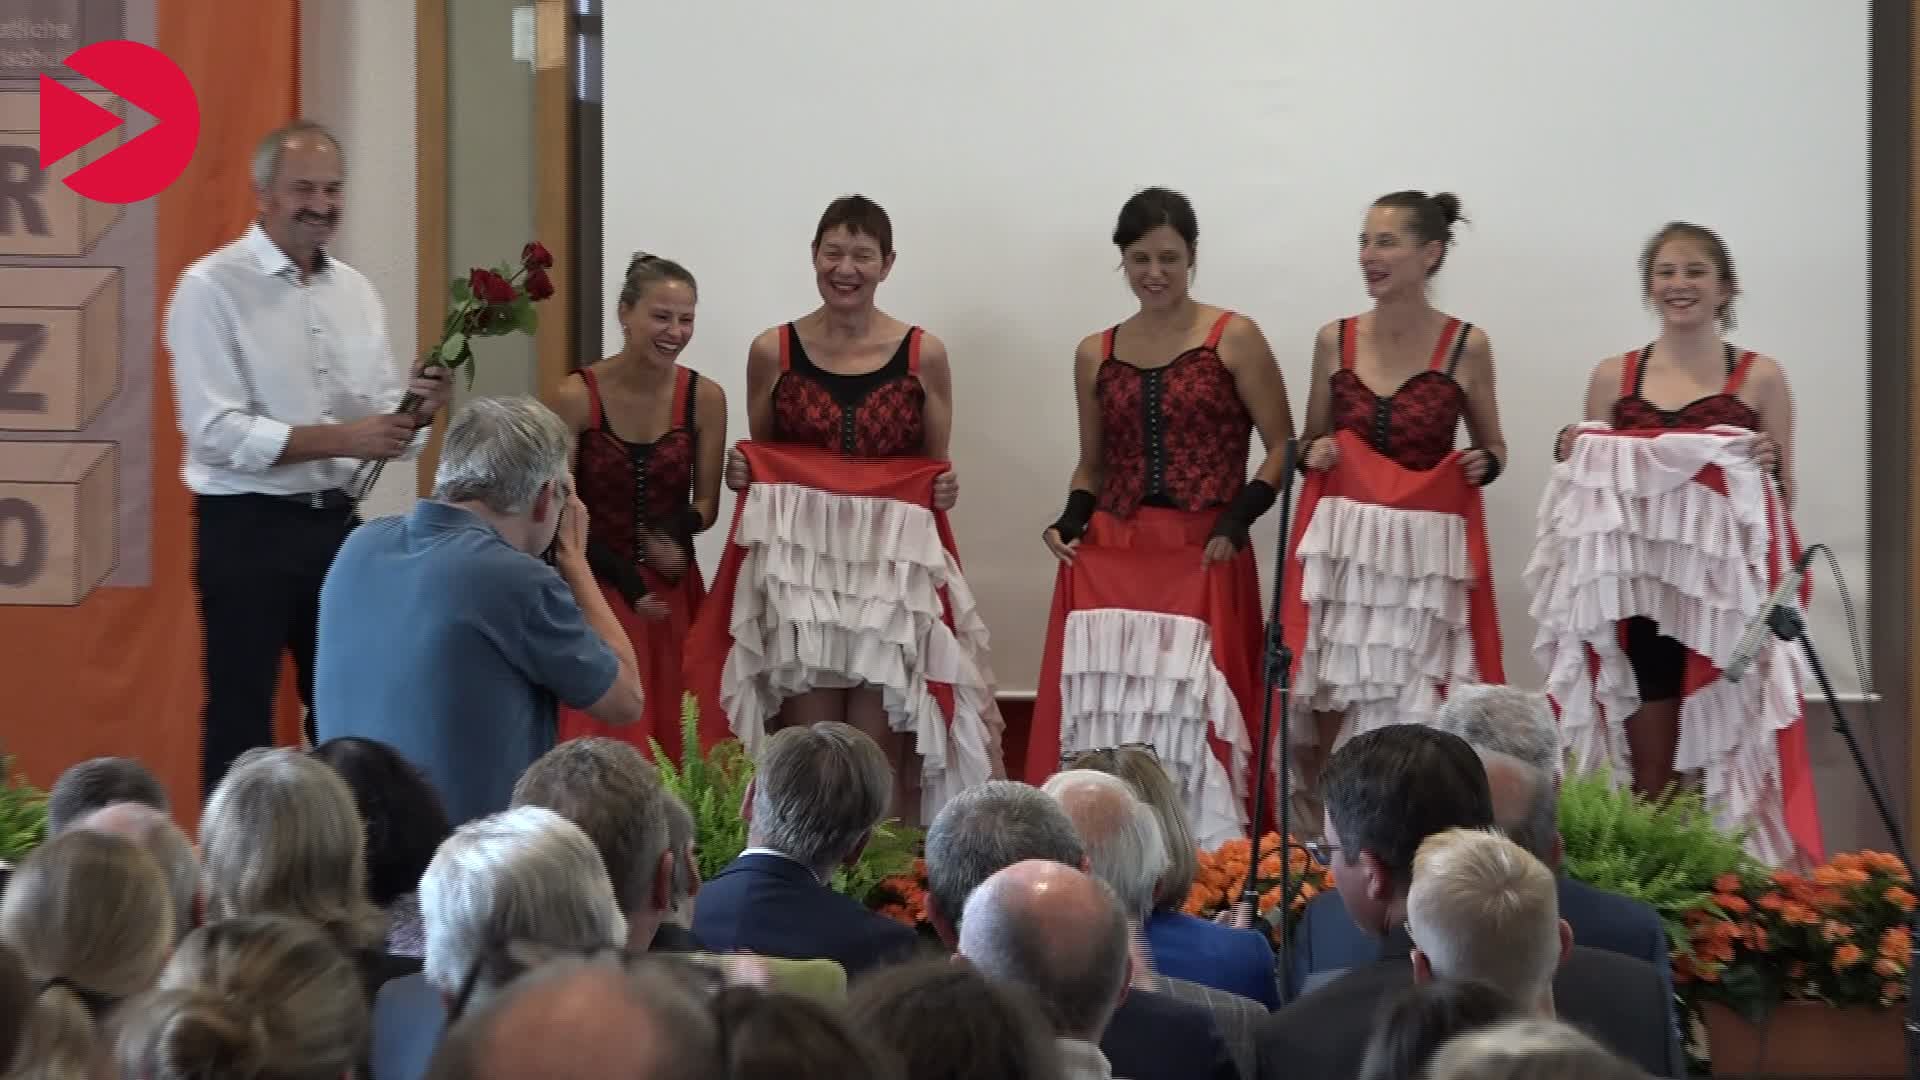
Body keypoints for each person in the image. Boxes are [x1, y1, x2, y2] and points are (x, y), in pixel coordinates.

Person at [688, 194, 1001, 826]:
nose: (846, 267)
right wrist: (743, 467)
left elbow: (931, 466)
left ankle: (873, 881)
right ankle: (806, 866)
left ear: (888, 263)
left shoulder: (924, 354)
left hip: (887, 571)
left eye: (862, 254)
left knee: (877, 736)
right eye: (833, 251)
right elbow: (767, 454)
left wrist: (942, 486)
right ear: (813, 256)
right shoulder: (772, 349)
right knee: (808, 734)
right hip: (804, 568)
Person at [166, 119, 453, 796]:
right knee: (242, 714)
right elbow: (217, 433)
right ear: (262, 193)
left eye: (332, 188)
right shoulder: (210, 289)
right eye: (303, 189)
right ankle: (236, 879)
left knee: (350, 707)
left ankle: (349, 865)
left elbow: (386, 422)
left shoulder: (355, 291)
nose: (321, 204)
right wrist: (346, 438)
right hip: (246, 528)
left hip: (337, 528)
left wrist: (418, 406)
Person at [1536, 222, 1818, 867]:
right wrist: (1567, 448)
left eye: (1694, 272)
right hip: (1637, 594)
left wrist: (1767, 468)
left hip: (1720, 600)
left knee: (1720, 744)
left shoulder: (1759, 377)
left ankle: (1715, 886)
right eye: (1664, 272)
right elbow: (1586, 491)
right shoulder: (1613, 376)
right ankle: (1648, 882)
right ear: (1647, 288)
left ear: (1724, 288)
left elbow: (1782, 496)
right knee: (1647, 753)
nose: (1678, 285)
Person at [1030, 186, 1294, 843]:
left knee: (1197, 710)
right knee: (1108, 711)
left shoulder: (1234, 336)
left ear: (1194, 256)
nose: (1155, 273)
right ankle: (1104, 845)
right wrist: (1068, 518)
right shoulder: (1096, 350)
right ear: (1122, 259)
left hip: (1206, 550)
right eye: (1141, 258)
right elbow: (1092, 464)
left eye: (1170, 258)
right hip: (1112, 553)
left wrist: (1240, 519)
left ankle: (1207, 858)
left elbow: (1285, 446)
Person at [314, 396, 645, 826]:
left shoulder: (358, 545)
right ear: (546, 499)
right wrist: (576, 563)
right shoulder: (512, 577)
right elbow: (626, 699)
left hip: (349, 848)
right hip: (467, 868)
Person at [1284, 190, 1508, 825]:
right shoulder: (1335, 339)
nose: (1369, 255)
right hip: (1346, 552)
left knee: (1415, 705)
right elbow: (1309, 440)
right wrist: (1317, 451)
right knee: (1332, 691)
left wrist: (1481, 464)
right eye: (1365, 241)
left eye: (1386, 242)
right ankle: (1333, 847)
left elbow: (1493, 448)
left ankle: (1412, 841)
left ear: (1430, 253)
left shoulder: (1467, 345)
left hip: (1423, 560)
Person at [547, 253, 725, 761]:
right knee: (600, 741)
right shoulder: (574, 396)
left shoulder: (705, 398)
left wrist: (676, 533)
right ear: (625, 314)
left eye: (686, 319)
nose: (675, 331)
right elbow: (556, 505)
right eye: (661, 316)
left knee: (681, 739)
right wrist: (623, 573)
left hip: (672, 594)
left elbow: (707, 503)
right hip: (595, 588)